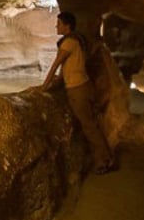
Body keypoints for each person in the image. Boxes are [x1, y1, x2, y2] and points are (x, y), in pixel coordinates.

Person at [34, 11, 115, 175]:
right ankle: (104, 158)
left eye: (59, 23)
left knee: (89, 126)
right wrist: (54, 83)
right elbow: (66, 69)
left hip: (77, 89)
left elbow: (56, 65)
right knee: (93, 123)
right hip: (85, 85)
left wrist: (43, 87)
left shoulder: (69, 42)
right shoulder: (78, 40)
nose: (56, 26)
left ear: (67, 25)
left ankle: (105, 161)